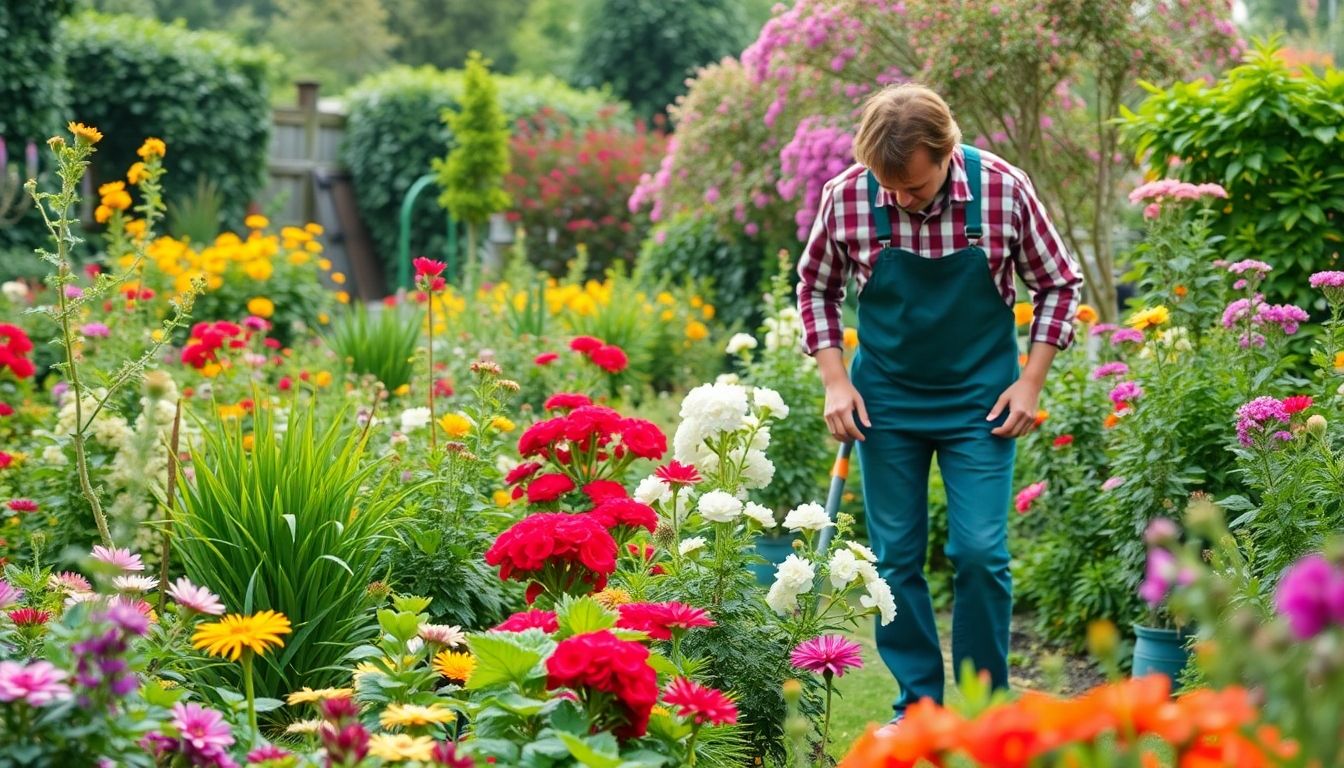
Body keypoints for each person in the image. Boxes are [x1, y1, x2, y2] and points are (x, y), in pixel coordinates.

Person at [795, 83, 1083, 722]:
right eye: (887, 188)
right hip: (886, 403)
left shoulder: (1004, 189)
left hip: (982, 403)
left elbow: (1060, 283)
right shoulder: (847, 197)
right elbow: (815, 287)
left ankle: (985, 709)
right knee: (894, 559)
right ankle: (918, 707)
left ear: (948, 152)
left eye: (914, 190)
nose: (898, 199)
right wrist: (835, 381)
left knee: (980, 554)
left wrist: (1030, 382)